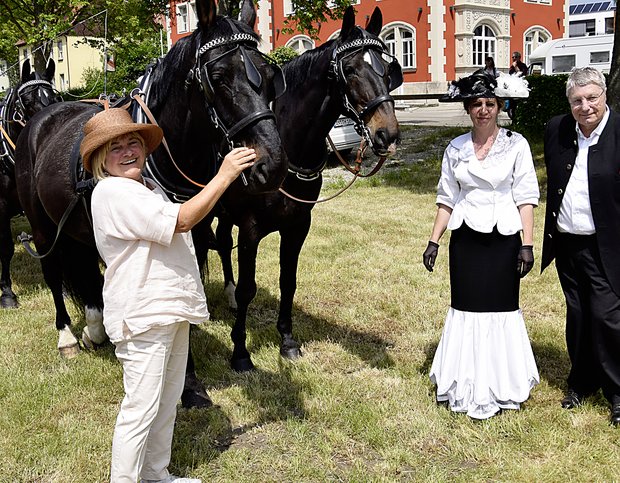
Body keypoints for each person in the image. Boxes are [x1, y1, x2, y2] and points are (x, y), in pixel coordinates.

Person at [81, 107, 256, 482]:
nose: (127, 151)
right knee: (141, 408)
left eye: (133, 143)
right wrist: (224, 175)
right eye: (115, 148)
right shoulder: (113, 192)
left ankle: (156, 474)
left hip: (168, 306)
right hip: (143, 313)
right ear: (99, 159)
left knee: (165, 403)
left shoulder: (146, 187)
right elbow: (182, 220)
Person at [423, 71, 539, 419]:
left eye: (490, 104)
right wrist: (434, 241)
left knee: (501, 308)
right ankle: (465, 381)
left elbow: (527, 196)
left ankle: (503, 384)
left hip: (505, 240)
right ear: (468, 109)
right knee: (467, 307)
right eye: (476, 104)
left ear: (500, 106)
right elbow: (447, 197)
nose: (483, 110)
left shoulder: (516, 144)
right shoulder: (455, 148)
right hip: (466, 242)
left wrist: (527, 244)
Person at [541, 67, 620, 426]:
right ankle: (581, 382)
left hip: (607, 245)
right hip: (567, 243)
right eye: (577, 100)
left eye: (592, 98)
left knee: (607, 317)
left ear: (605, 96)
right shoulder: (557, 129)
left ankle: (617, 391)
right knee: (578, 315)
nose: (585, 106)